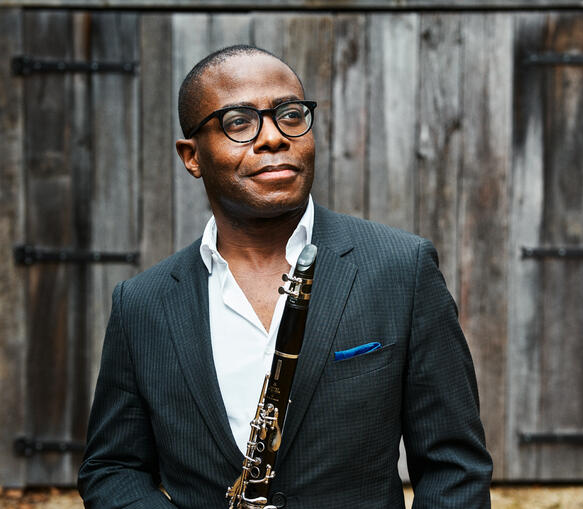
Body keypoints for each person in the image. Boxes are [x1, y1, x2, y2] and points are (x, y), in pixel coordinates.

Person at [78, 44, 492, 509]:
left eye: (290, 115)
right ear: (191, 156)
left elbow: (454, 467)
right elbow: (113, 469)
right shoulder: (142, 303)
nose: (273, 137)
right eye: (238, 122)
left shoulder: (402, 268)